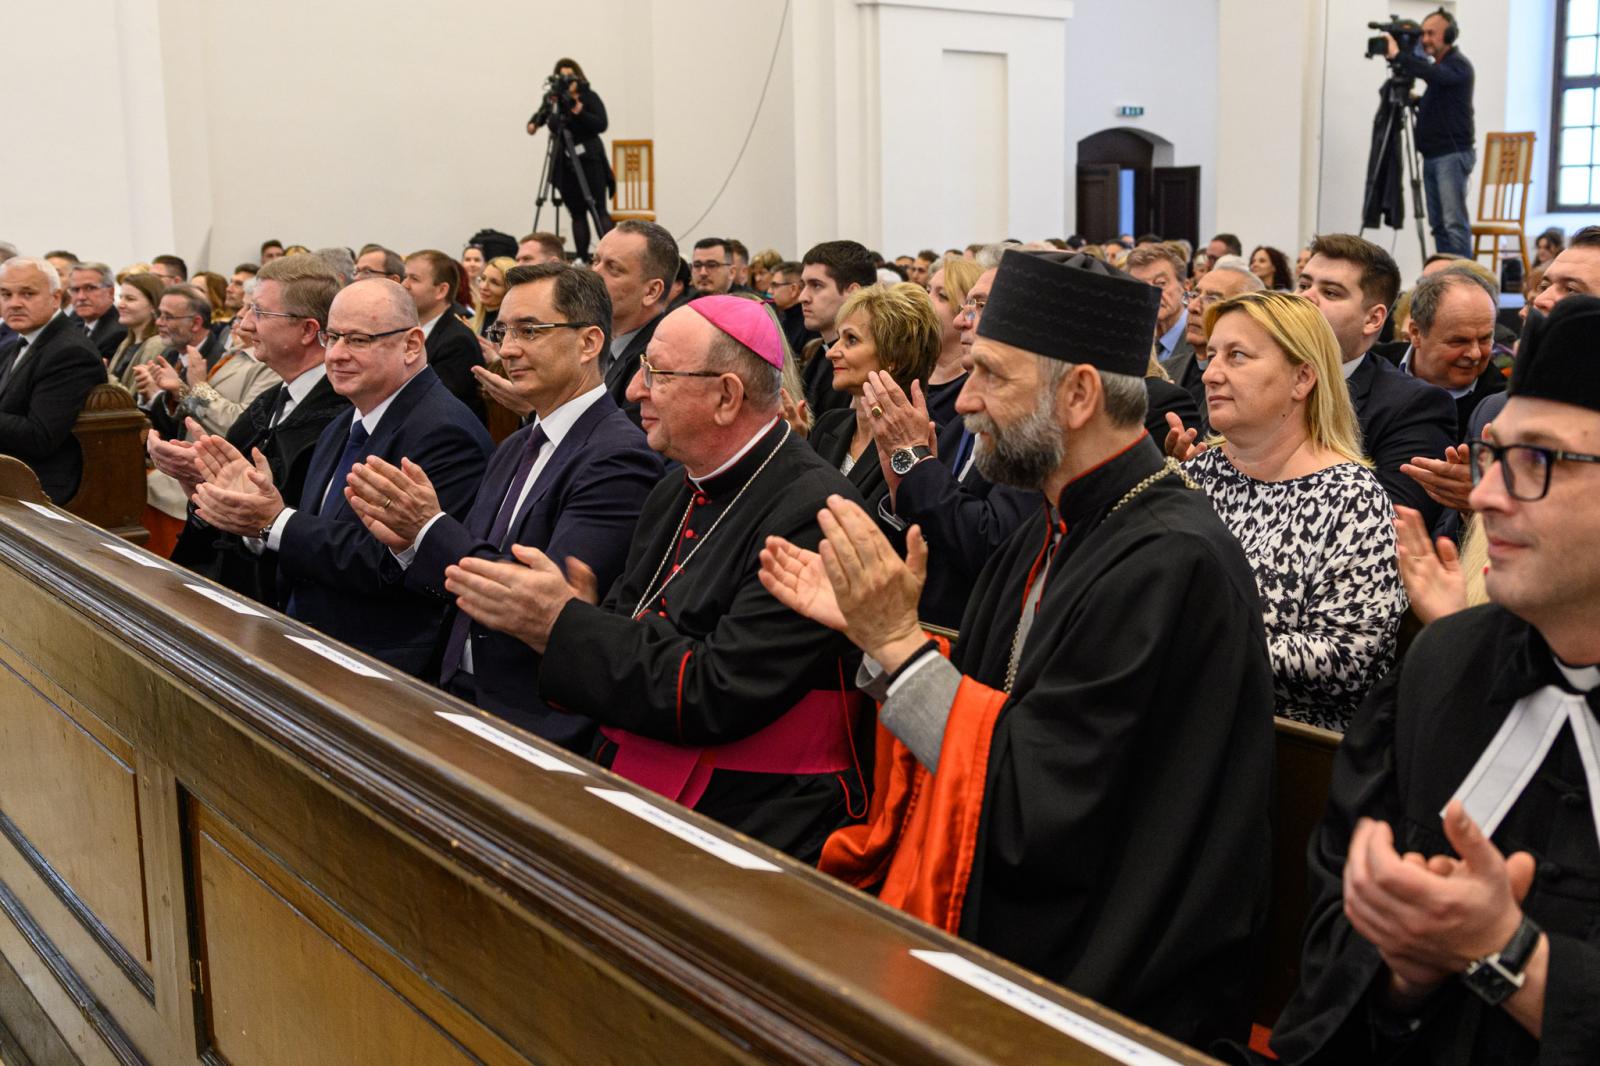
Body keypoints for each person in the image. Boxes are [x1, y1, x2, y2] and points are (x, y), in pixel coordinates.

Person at [762, 248, 1275, 1048]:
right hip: (1030, 901)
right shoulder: (1050, 521)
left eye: (991, 375)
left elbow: (1036, 801)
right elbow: (988, 719)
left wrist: (899, 645)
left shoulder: (1170, 562)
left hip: (1110, 968)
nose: (965, 400)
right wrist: (877, 638)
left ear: (1079, 394)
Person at [1270, 294, 1600, 1065]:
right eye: (1493, 455)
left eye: (1538, 461)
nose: (1483, 496)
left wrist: (1508, 954)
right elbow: (1333, 928)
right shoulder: (1445, 664)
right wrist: (1402, 965)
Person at [441, 296, 868, 861]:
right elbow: (629, 622)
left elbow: (718, 690)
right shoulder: (676, 487)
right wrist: (578, 621)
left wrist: (563, 624)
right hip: (644, 753)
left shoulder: (815, 511)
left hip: (758, 811)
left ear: (726, 397)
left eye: (658, 375)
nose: (633, 390)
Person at [347, 263, 661, 751]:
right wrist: (411, 545)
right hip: (460, 693)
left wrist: (429, 527)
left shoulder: (618, 455)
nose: (508, 349)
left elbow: (538, 599)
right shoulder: (517, 444)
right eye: (503, 331)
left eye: (530, 331)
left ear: (589, 342)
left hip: (535, 715)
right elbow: (468, 559)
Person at [188, 278, 493, 675]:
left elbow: (389, 562)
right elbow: (312, 538)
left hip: (379, 665)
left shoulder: (443, 431)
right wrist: (252, 519)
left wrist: (274, 522)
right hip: (310, 641)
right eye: (332, 338)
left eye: (358, 340)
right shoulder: (343, 423)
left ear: (411, 345)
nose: (336, 354)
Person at [1178, 291, 1405, 731]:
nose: (1210, 374)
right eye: (1212, 355)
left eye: (1237, 356)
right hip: (1183, 719)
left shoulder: (1351, 499)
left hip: (1288, 742)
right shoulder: (1196, 475)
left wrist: (1202, 642)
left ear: (1302, 378)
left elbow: (1348, 658)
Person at [154, 255, 351, 603]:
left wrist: (252, 519)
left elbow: (318, 537)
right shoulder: (272, 400)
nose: (244, 325)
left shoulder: (339, 414)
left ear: (308, 330)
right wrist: (201, 482)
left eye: (259, 312)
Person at [858, 260, 1036, 633]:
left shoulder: (1035, 429)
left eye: (979, 306)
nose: (959, 320)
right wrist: (900, 491)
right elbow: (929, 529)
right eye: (965, 304)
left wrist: (916, 464)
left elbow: (991, 543)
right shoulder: (957, 426)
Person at [1296, 234, 1457, 528]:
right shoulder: (1254, 378)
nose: (1305, 298)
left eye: (1330, 292)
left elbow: (1386, 527)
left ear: (1372, 319)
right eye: (1304, 285)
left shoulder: (1414, 407)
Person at [807, 283, 941, 541]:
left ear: (893, 357)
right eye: (838, 338)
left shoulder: (927, 442)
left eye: (851, 340)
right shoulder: (829, 424)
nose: (832, 352)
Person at [0, 258, 108, 503]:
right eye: (6, 294)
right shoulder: (15, 344)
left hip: (41, 488)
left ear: (56, 297)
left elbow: (40, 437)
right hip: (12, 476)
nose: (14, 303)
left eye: (27, 294)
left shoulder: (69, 352)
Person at [1385, 9, 1476, 257]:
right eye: (1423, 34)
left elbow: (1435, 75)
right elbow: (1439, 94)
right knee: (1438, 225)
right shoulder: (1441, 68)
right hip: (1433, 155)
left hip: (1451, 155)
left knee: (1453, 223)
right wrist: (1418, 101)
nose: (1425, 39)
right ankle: (1445, 273)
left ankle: (1462, 275)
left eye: (1431, 33)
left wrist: (1399, 56)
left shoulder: (1457, 65)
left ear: (1449, 35)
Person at [1397, 265, 1504, 440]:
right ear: (1416, 333)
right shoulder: (1371, 368)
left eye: (1485, 339)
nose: (1475, 354)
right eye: (1459, 341)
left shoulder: (1500, 408)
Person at [587, 219, 677, 422]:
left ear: (651, 291)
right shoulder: (591, 341)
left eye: (613, 268)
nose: (595, 274)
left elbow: (622, 436)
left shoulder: (659, 361)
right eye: (595, 261)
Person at [527, 58, 613, 261]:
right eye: (561, 77)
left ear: (578, 77)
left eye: (569, 76)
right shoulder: (553, 99)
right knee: (577, 213)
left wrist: (580, 111)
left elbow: (601, 124)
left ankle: (612, 255)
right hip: (564, 164)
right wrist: (534, 123)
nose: (566, 81)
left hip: (589, 161)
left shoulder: (588, 96)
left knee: (598, 208)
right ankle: (581, 259)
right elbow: (541, 117)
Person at [1163, 254, 1263, 419]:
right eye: (1194, 295)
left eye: (1211, 299)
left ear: (1248, 313)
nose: (1193, 307)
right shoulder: (1166, 370)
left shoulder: (1250, 386)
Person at [401, 250, 487, 424]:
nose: (404, 285)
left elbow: (436, 403)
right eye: (405, 277)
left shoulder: (457, 341)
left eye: (414, 279)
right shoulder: (407, 328)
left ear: (441, 290)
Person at [798, 240, 877, 420]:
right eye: (803, 285)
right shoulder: (818, 353)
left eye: (816, 285)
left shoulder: (862, 368)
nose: (803, 297)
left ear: (854, 292)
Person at [922, 257, 981, 428]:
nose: (925, 300)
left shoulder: (973, 387)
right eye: (927, 291)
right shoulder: (910, 367)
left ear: (969, 313)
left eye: (942, 296)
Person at [1125, 244, 1190, 361]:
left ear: (1185, 287)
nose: (1150, 293)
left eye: (1160, 283)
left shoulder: (1202, 340)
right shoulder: (1129, 340)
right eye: (1141, 286)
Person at [107, 273, 168, 389]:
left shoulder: (156, 345)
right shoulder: (126, 342)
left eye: (130, 299)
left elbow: (137, 395)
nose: (120, 305)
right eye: (120, 298)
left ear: (153, 306)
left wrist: (104, 376)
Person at [65, 262, 126, 359]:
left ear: (111, 292)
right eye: (75, 289)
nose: (81, 297)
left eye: (90, 288)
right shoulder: (73, 320)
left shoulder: (117, 333)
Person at [768, 260, 810, 355]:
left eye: (775, 285)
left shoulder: (808, 324)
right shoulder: (783, 317)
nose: (769, 291)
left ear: (793, 289)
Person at [469, 256, 515, 337]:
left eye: (494, 282)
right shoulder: (470, 323)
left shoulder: (512, 330)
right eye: (483, 278)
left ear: (508, 290)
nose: (483, 286)